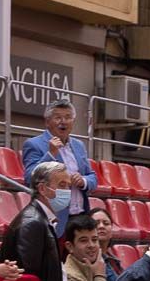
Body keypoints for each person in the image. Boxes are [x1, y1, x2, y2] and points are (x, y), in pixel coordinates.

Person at [21, 98, 97, 236]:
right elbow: (29, 178)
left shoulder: (79, 145)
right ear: (47, 122)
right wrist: (50, 154)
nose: (63, 121)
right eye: (58, 117)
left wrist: (83, 181)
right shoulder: (33, 144)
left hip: (80, 216)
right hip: (55, 217)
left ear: (73, 122)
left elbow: (92, 177)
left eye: (68, 117)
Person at [88, 206, 121, 281]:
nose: (101, 226)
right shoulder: (87, 260)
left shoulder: (114, 261)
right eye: (96, 223)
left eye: (106, 223)